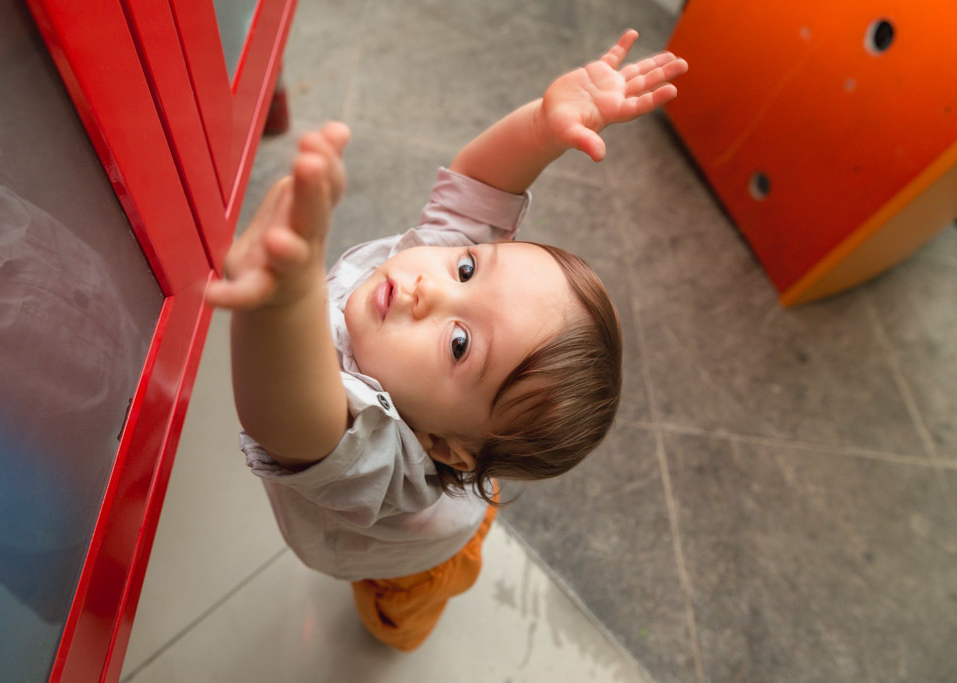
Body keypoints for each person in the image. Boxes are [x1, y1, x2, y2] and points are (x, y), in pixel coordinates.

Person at [205, 29, 688, 651]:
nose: (429, 286)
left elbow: (292, 424)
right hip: (470, 463)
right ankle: (482, 487)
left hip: (413, 562)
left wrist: (286, 300)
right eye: (468, 268)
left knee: (399, 615)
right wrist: (541, 129)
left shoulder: (381, 457)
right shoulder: (433, 273)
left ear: (435, 444)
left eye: (459, 344)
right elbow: (482, 185)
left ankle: (403, 626)